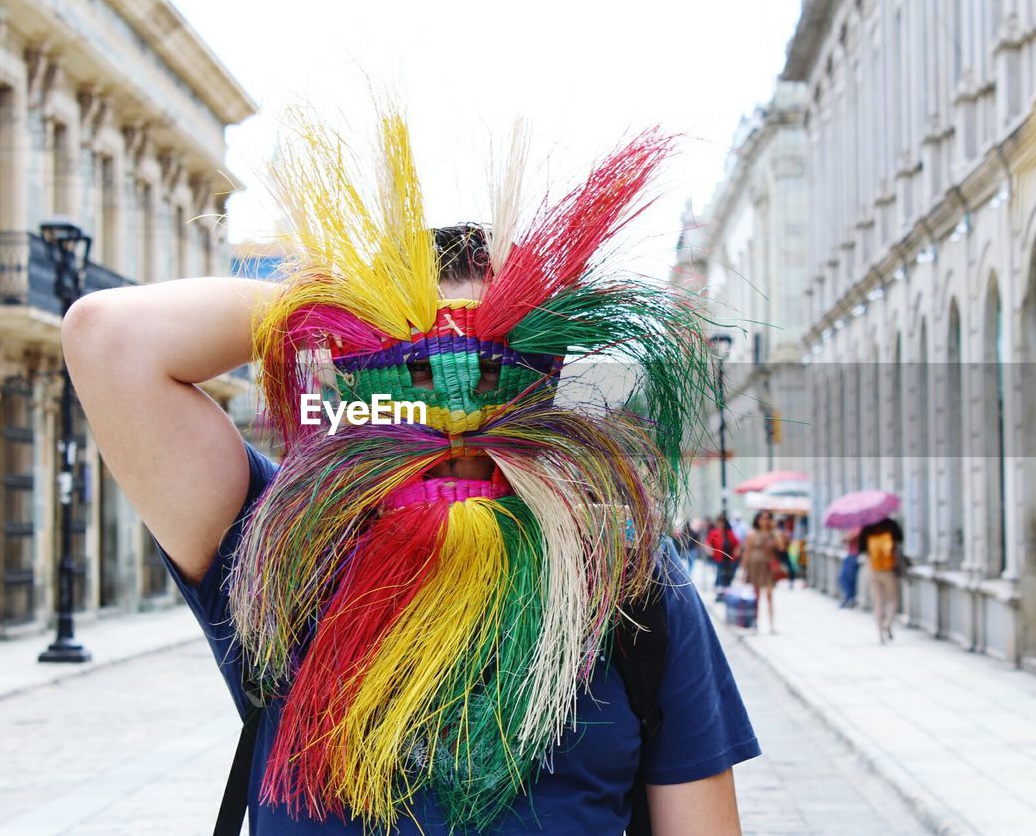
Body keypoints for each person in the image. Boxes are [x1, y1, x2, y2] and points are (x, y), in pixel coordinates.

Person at [64, 113, 759, 834]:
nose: (456, 421)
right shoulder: (281, 553)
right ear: (365, 380)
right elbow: (108, 340)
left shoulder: (631, 583)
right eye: (417, 373)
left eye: (493, 371)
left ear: (542, 387)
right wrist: (344, 311)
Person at [859, 517, 906, 643]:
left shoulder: (867, 527)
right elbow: (900, 540)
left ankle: (880, 633)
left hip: (872, 568)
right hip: (888, 569)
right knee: (892, 599)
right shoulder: (891, 524)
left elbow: (861, 549)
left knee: (878, 601)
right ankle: (887, 624)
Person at [742, 511, 784, 634]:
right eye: (762, 518)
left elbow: (781, 547)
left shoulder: (773, 534)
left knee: (770, 595)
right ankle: (755, 624)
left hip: (768, 566)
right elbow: (747, 552)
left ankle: (772, 625)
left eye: (767, 518)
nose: (764, 521)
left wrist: (774, 531)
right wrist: (743, 570)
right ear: (757, 520)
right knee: (757, 596)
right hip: (755, 566)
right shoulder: (752, 534)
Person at [707, 514, 741, 596]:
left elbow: (737, 544)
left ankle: (726, 591)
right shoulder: (714, 533)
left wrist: (736, 552)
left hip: (729, 559)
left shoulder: (729, 533)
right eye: (719, 522)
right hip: (718, 559)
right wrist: (710, 552)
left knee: (728, 575)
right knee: (720, 575)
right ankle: (719, 591)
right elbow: (708, 544)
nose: (721, 524)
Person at [838, 529, 861, 608]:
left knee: (846, 578)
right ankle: (849, 598)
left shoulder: (859, 526)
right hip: (850, 554)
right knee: (845, 578)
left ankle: (850, 598)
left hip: (854, 555)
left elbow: (851, 537)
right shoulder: (853, 526)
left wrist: (845, 537)